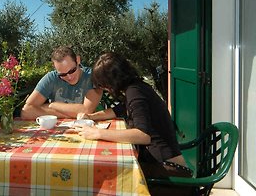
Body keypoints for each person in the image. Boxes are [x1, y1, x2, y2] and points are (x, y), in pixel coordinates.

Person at [75, 52, 193, 196]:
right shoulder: (136, 88)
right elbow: (119, 110)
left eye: (102, 84)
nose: (103, 88)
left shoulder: (135, 92)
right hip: (162, 165)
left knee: (110, 178)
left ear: (112, 80)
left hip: (168, 174)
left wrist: (98, 133)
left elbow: (143, 135)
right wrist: (91, 117)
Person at [20, 46, 102, 120]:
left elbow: (87, 111)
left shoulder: (92, 77)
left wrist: (53, 105)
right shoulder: (51, 78)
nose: (69, 77)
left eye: (72, 71)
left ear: (78, 60)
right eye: (62, 74)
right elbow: (26, 111)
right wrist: (72, 113)